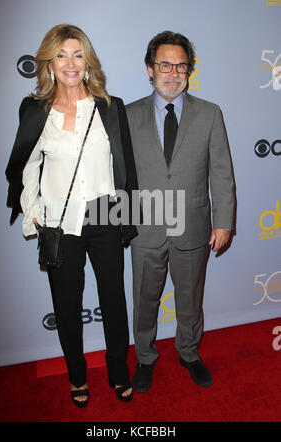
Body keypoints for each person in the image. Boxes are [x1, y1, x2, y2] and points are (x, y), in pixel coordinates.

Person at [5, 24, 139, 407]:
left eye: (77, 54)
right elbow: (28, 166)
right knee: (67, 307)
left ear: (88, 61)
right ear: (48, 62)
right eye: (61, 55)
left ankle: (118, 372)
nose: (70, 63)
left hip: (105, 215)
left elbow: (124, 166)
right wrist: (33, 215)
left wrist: (126, 217)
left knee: (113, 300)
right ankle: (77, 377)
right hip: (59, 222)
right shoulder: (35, 109)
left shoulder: (110, 107)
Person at [126, 31, 235, 392]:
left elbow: (221, 171)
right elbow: (118, 174)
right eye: (165, 65)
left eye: (181, 65)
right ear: (150, 68)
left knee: (190, 297)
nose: (173, 73)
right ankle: (144, 358)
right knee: (145, 299)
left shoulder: (210, 113)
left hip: (193, 225)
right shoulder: (127, 116)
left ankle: (189, 352)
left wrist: (224, 222)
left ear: (189, 69)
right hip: (145, 228)